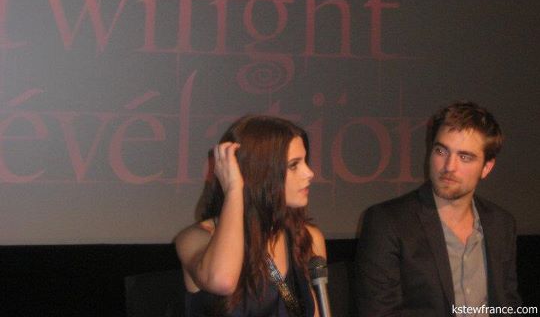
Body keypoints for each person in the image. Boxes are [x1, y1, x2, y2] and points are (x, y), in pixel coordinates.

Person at [355, 101, 521, 315]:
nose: (449, 166)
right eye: (441, 151)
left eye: (464, 157)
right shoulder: (387, 223)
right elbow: (379, 312)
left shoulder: (501, 224)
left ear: (486, 167)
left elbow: (509, 304)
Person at [175, 114, 326, 316]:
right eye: (293, 165)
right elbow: (222, 281)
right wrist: (234, 189)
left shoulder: (306, 237)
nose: (309, 173)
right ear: (260, 174)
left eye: (305, 161)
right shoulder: (195, 238)